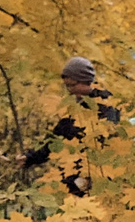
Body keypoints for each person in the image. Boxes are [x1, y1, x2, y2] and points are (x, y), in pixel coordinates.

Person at [22, 57, 123, 189]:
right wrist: (29, 157)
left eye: (73, 85)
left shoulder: (107, 104)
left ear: (87, 81)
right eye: (67, 85)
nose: (70, 89)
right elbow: (55, 140)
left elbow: (106, 140)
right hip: (73, 178)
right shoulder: (74, 107)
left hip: (99, 178)